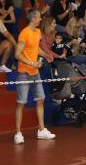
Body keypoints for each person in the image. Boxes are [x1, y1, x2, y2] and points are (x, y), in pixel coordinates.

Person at [14, 9, 56, 144]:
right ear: (33, 18)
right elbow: (17, 54)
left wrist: (45, 55)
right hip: (24, 73)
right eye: (38, 17)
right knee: (21, 103)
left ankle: (42, 130)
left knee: (40, 100)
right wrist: (31, 62)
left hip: (35, 72)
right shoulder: (24, 33)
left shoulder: (38, 32)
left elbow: (35, 48)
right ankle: (18, 133)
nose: (40, 19)